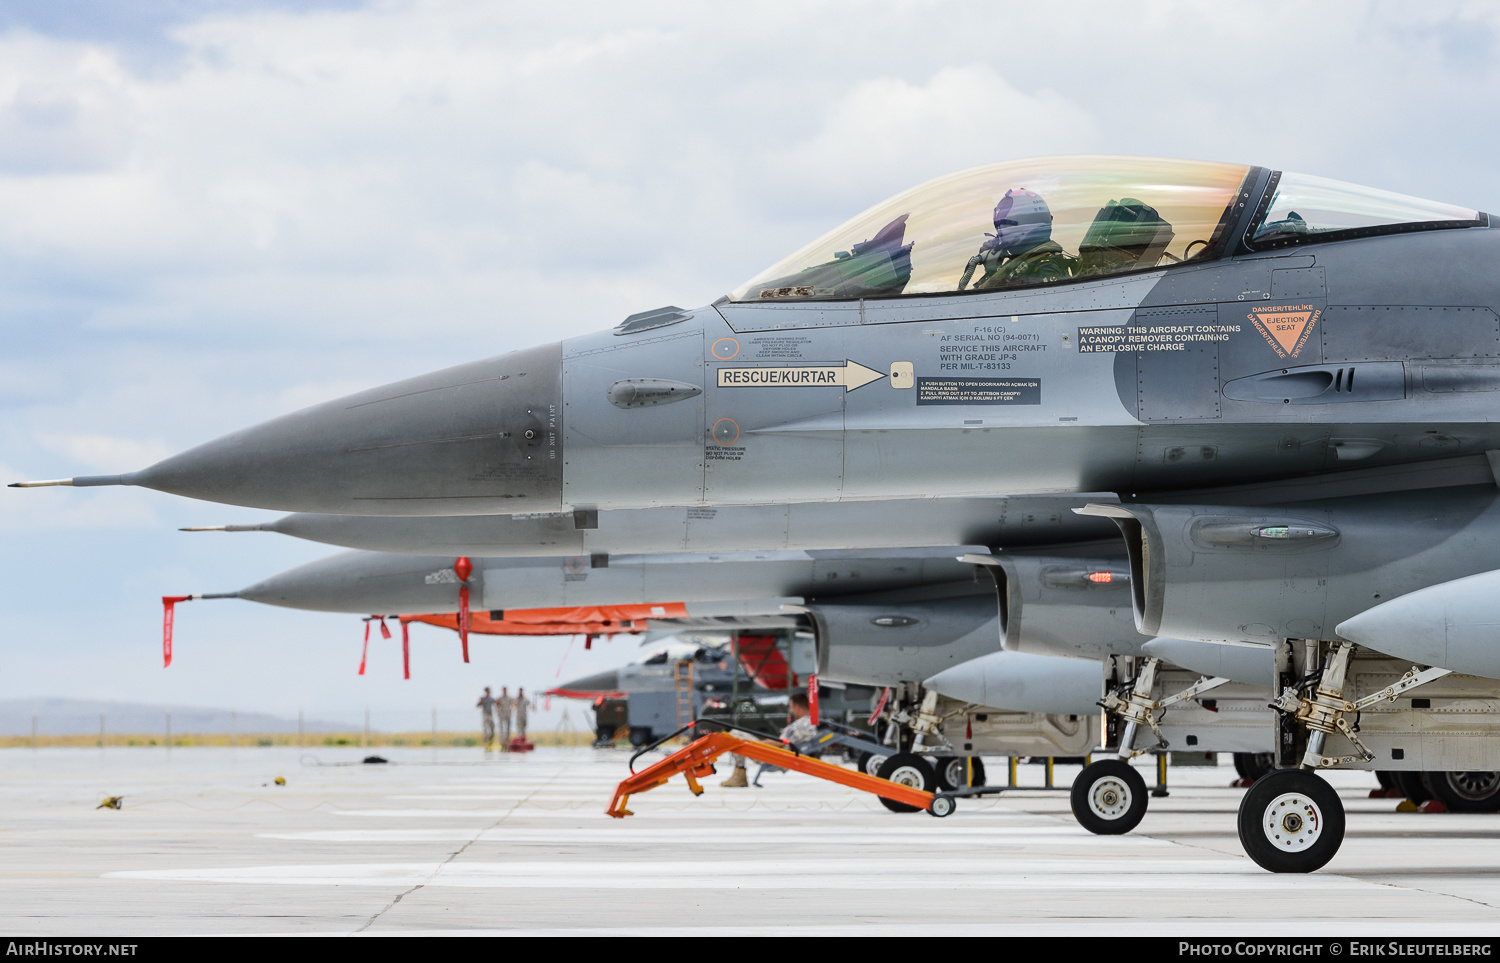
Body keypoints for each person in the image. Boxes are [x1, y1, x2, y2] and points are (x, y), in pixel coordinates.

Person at [957, 188, 1076, 290]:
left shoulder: (1045, 270)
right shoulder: (1023, 262)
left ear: (1024, 225)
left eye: (1004, 226)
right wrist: (992, 271)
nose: (1000, 234)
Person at [477, 687, 496, 751]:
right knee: (486, 730)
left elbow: (496, 703)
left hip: (490, 714)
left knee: (492, 728)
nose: (488, 692)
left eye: (489, 691)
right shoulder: (483, 698)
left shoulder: (491, 699)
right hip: (485, 714)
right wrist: (482, 702)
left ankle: (490, 743)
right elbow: (477, 705)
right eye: (487, 691)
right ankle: (485, 744)